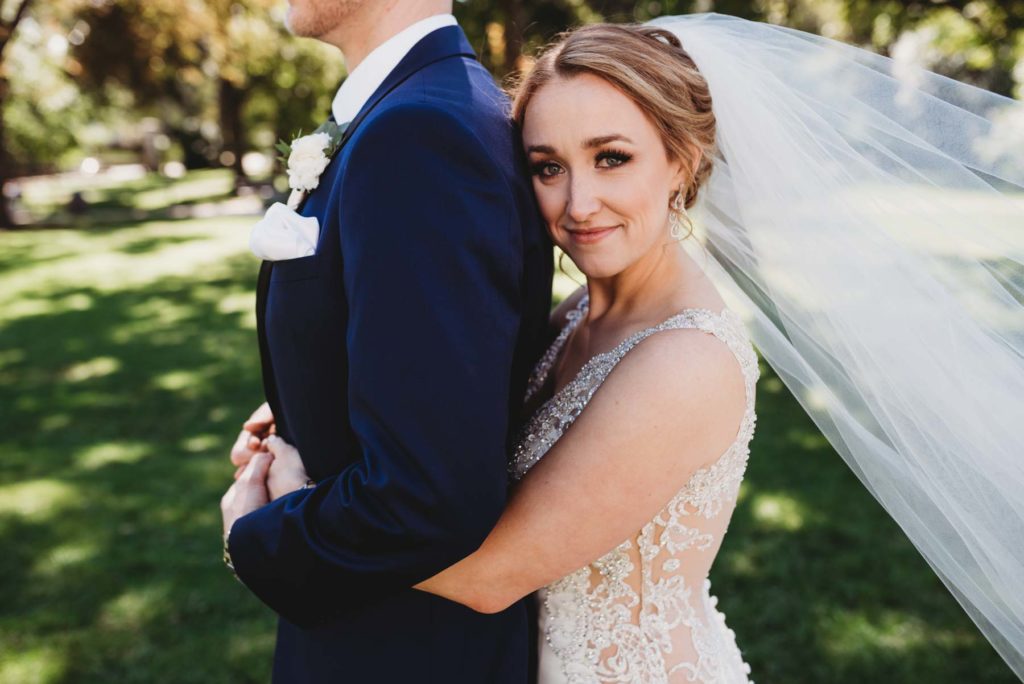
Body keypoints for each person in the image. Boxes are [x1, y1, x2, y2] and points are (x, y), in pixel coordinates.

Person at [255, 12, 1024, 684]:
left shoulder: (686, 363)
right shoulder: (572, 317)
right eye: (548, 167)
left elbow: (492, 575)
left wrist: (291, 504)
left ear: (681, 161)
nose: (578, 203)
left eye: (612, 158)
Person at [218, 0, 552, 681]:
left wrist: (255, 536)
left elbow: (427, 495)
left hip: (401, 651)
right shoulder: (406, 108)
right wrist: (306, 409)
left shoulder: (420, 132)